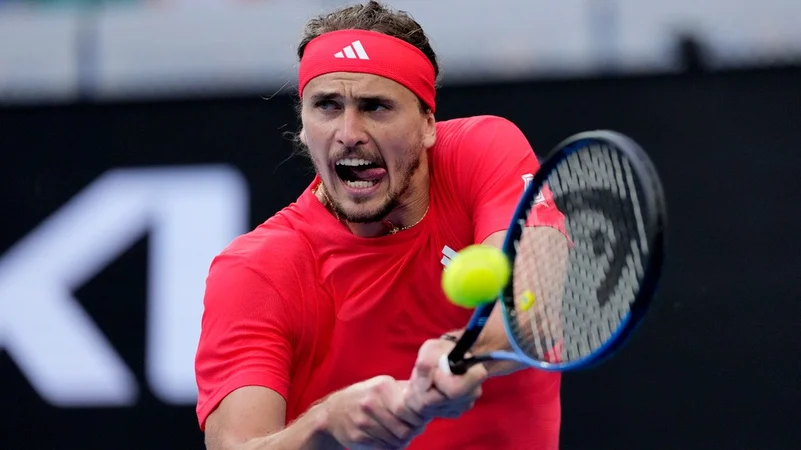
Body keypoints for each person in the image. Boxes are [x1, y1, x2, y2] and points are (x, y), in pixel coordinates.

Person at [194, 1, 567, 449]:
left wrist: (461, 353)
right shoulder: (258, 269)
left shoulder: (482, 152)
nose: (348, 132)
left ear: (428, 124)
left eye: (375, 107)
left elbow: (536, 304)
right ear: (303, 124)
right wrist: (324, 424)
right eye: (327, 105)